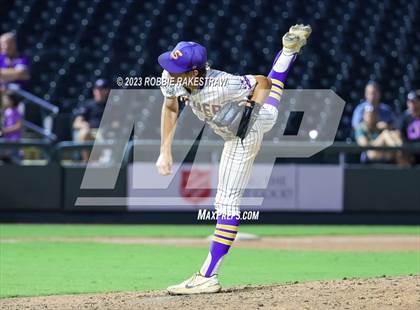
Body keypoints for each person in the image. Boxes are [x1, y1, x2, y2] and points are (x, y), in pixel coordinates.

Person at [156, 24, 311, 294]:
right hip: (237, 130)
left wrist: (251, 108)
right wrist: (165, 150)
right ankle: (287, 51)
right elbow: (170, 107)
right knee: (273, 105)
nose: (169, 71)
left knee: (227, 201)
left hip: (245, 133)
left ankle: (208, 275)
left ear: (194, 73)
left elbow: (263, 82)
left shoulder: (222, 83)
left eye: (175, 69)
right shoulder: (172, 78)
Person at [72, 79, 109, 161]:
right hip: (91, 132)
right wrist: (84, 125)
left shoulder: (111, 105)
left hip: (105, 133)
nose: (99, 92)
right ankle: (86, 162)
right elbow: (76, 123)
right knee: (84, 133)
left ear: (106, 91)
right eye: (97, 89)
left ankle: (104, 163)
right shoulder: (88, 105)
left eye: (102, 89)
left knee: (104, 135)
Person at [396, 90, 420, 165]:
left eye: (415, 102)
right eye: (410, 102)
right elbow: (398, 134)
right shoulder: (404, 118)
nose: (413, 105)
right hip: (409, 151)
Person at [0, 93, 23, 163]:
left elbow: (19, 125)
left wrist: (5, 130)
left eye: (6, 99)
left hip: (14, 139)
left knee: (14, 159)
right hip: (6, 140)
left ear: (12, 101)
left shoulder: (16, 111)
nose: (3, 101)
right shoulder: (5, 112)